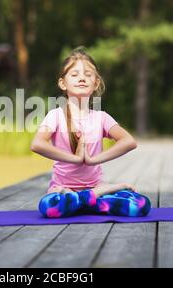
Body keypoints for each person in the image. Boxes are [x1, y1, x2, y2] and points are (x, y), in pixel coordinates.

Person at [30, 46, 151, 218]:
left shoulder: (101, 117)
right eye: (74, 74)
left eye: (88, 74)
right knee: (49, 206)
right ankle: (94, 198)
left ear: (95, 83)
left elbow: (128, 141)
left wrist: (92, 160)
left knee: (141, 205)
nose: (82, 78)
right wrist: (76, 159)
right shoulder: (55, 115)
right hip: (62, 191)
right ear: (62, 83)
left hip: (91, 189)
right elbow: (37, 144)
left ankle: (82, 200)